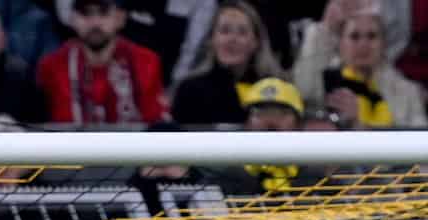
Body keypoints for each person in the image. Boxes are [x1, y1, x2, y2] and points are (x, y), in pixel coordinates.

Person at [293, 4, 427, 128]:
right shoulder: (323, 82)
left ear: (383, 44)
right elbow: (302, 90)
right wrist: (324, 28)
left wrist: (358, 125)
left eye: (372, 36)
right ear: (341, 44)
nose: (363, 44)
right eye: (354, 36)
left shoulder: (408, 92)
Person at [37, 0, 168, 125]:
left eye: (103, 12)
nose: (95, 23)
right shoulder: (51, 66)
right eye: (85, 13)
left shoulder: (146, 62)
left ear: (120, 18)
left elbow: (156, 127)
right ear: (73, 19)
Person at [170, 1, 283, 126]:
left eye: (242, 32)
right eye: (224, 31)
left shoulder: (275, 90)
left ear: (256, 42)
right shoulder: (189, 90)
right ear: (212, 40)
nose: (232, 39)